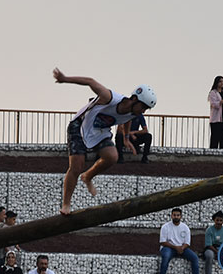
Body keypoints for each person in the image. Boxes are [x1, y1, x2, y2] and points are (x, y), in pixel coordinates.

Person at [52, 67, 155, 215]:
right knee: (77, 165)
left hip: (100, 131)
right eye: (143, 107)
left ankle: (87, 176)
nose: (143, 111)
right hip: (80, 125)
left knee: (112, 156)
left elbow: (126, 120)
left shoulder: (134, 113)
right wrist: (64, 79)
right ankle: (66, 204)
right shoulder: (110, 98)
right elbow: (90, 81)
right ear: (134, 100)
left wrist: (126, 138)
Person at [158, 208, 200, 274]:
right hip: (168, 247)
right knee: (166, 257)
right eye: (174, 215)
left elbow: (187, 243)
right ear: (171, 216)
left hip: (182, 248)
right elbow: (162, 242)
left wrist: (181, 248)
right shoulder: (165, 227)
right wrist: (175, 247)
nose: (176, 217)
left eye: (178, 215)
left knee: (194, 257)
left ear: (181, 216)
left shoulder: (185, 227)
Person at [202, 210, 223, 274]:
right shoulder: (209, 230)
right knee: (209, 255)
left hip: (222, 248)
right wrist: (217, 252)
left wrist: (222, 251)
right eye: (217, 220)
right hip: (211, 248)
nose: (219, 222)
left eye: (221, 220)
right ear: (214, 220)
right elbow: (209, 244)